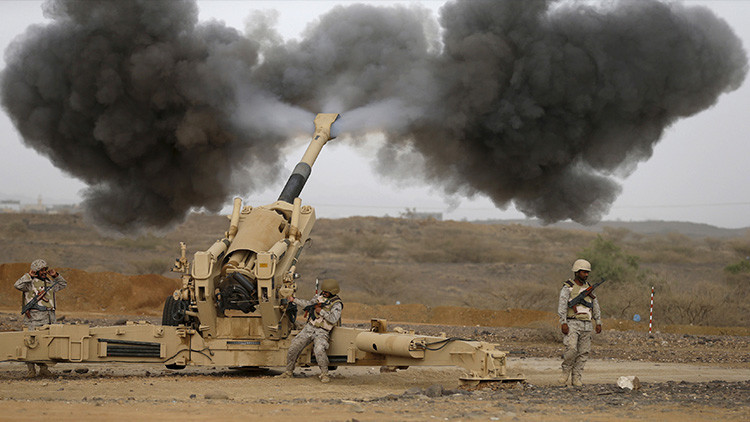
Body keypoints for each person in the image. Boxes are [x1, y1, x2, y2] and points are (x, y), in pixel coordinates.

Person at [277, 278, 343, 383]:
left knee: (319, 349)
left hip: (322, 331)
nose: (324, 293)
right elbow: (308, 304)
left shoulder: (336, 304)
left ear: (332, 292)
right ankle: (288, 372)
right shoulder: (319, 297)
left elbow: (333, 319)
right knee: (294, 346)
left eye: (326, 292)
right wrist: (294, 300)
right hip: (309, 328)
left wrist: (321, 311)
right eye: (323, 291)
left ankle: (324, 374)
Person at [14, 259, 68, 377]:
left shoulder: (49, 282)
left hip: (49, 317)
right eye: (41, 270)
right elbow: (17, 285)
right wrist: (28, 275)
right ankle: (31, 370)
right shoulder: (29, 283)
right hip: (34, 318)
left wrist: (55, 276)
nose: (44, 272)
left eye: (45, 269)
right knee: (31, 343)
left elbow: (63, 284)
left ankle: (44, 369)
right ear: (36, 271)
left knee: (46, 344)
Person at [557, 259, 602, 387]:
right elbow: (562, 305)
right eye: (583, 272)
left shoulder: (589, 288)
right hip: (572, 322)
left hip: (587, 324)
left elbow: (595, 305)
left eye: (587, 272)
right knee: (571, 349)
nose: (586, 275)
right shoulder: (568, 287)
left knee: (583, 352)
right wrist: (563, 322)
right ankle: (566, 372)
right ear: (576, 272)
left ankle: (576, 377)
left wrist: (598, 321)